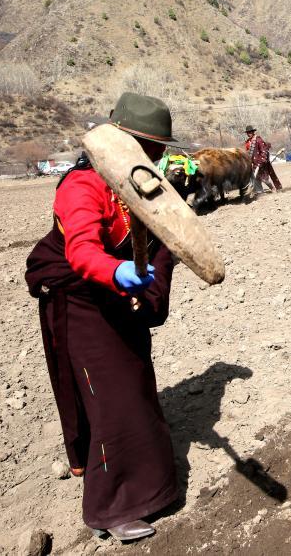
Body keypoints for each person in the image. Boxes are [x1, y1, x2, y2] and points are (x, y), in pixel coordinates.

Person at [25, 93, 188, 542]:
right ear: (123, 143)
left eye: (159, 149)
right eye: (150, 147)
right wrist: (117, 272)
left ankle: (150, 484)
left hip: (115, 296)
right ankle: (111, 507)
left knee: (134, 382)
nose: (157, 155)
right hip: (80, 301)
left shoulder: (141, 182)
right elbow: (81, 251)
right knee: (111, 397)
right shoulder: (82, 186)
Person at [244, 125, 282, 192]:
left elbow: (263, 151)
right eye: (248, 132)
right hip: (253, 163)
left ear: (253, 132)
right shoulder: (247, 142)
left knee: (264, 178)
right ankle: (260, 191)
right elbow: (248, 152)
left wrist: (261, 160)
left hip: (261, 162)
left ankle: (272, 188)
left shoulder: (258, 139)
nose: (248, 134)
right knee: (256, 178)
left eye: (250, 132)